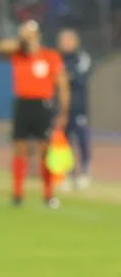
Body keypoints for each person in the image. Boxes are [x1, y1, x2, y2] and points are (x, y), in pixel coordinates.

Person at [0, 20, 70, 208]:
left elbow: (62, 84)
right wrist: (21, 39)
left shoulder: (50, 56)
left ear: (38, 36)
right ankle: (18, 194)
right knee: (20, 149)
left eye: (32, 34)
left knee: (44, 151)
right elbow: (1, 46)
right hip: (23, 104)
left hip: (42, 105)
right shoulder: (18, 54)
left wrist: (63, 110)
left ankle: (48, 194)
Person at [57, 29, 93, 189]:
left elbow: (80, 77)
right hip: (62, 108)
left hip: (79, 106)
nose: (67, 44)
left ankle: (85, 171)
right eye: (64, 41)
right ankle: (68, 173)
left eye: (69, 40)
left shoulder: (82, 58)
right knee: (65, 141)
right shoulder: (57, 59)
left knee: (82, 139)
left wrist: (65, 76)